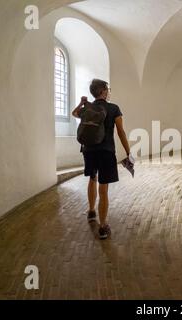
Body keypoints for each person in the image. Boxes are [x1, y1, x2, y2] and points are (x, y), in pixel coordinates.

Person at [72, 79, 131, 240]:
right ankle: (103, 226)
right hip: (106, 151)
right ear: (104, 91)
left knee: (92, 179)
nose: (109, 91)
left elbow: (74, 114)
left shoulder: (88, 107)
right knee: (103, 189)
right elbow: (120, 132)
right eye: (108, 89)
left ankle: (91, 212)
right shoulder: (113, 108)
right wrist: (128, 151)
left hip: (88, 150)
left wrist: (82, 102)